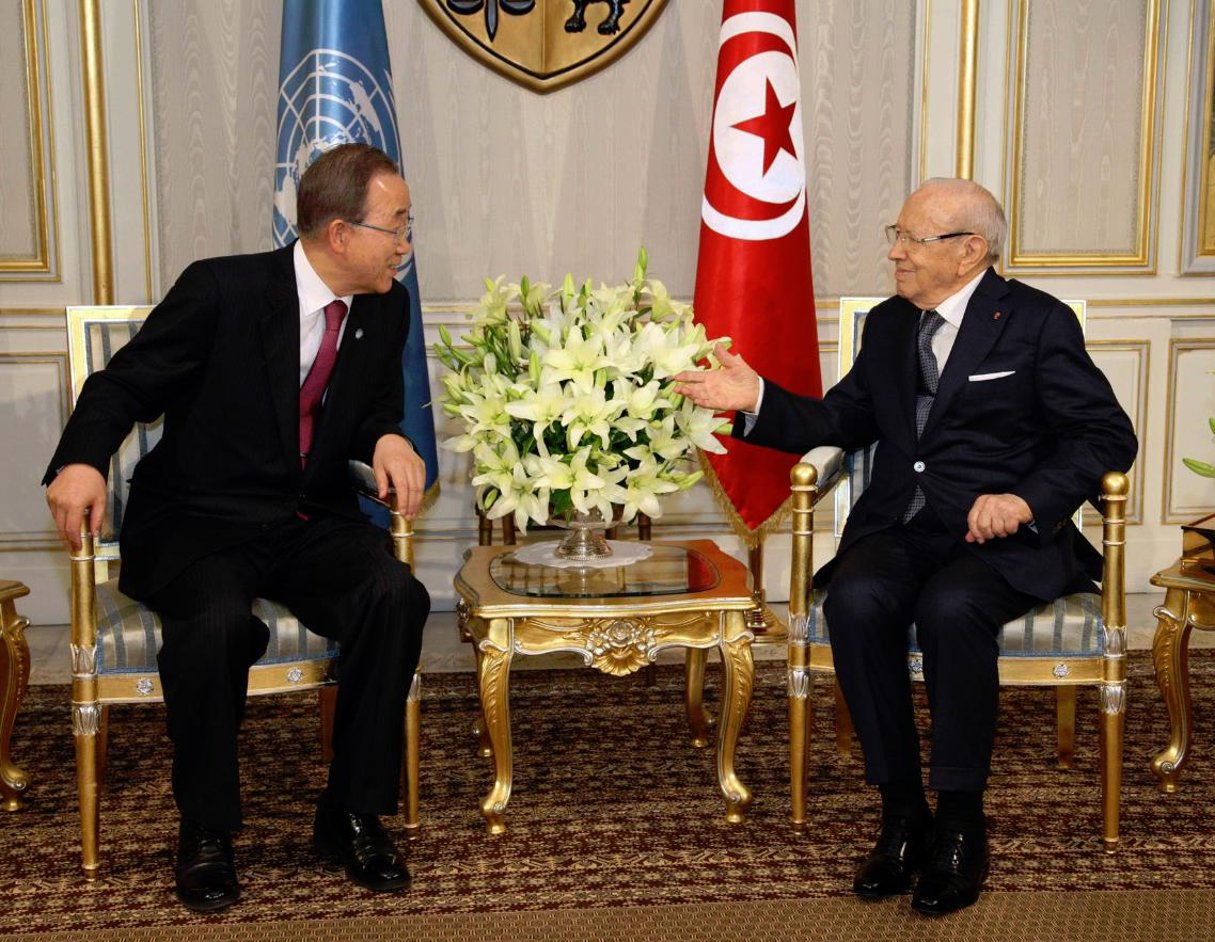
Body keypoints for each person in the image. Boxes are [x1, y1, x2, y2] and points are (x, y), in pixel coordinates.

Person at [676, 178, 1137, 916]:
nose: (894, 252)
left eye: (911, 240)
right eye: (896, 235)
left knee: (953, 607)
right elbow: (841, 419)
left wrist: (1024, 499)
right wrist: (753, 397)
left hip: (1003, 539)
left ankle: (959, 821)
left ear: (968, 251)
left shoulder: (1035, 323)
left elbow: (1105, 436)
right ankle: (900, 813)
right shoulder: (890, 324)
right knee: (856, 598)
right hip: (900, 528)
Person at [43, 143, 430, 913]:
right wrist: (82, 462)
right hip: (198, 519)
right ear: (338, 233)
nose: (407, 244)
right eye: (397, 225)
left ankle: (349, 813)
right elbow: (124, 384)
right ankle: (208, 831)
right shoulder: (222, 289)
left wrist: (385, 435)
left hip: (304, 519)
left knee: (395, 596)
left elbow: (372, 407)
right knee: (216, 623)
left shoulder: (386, 303)